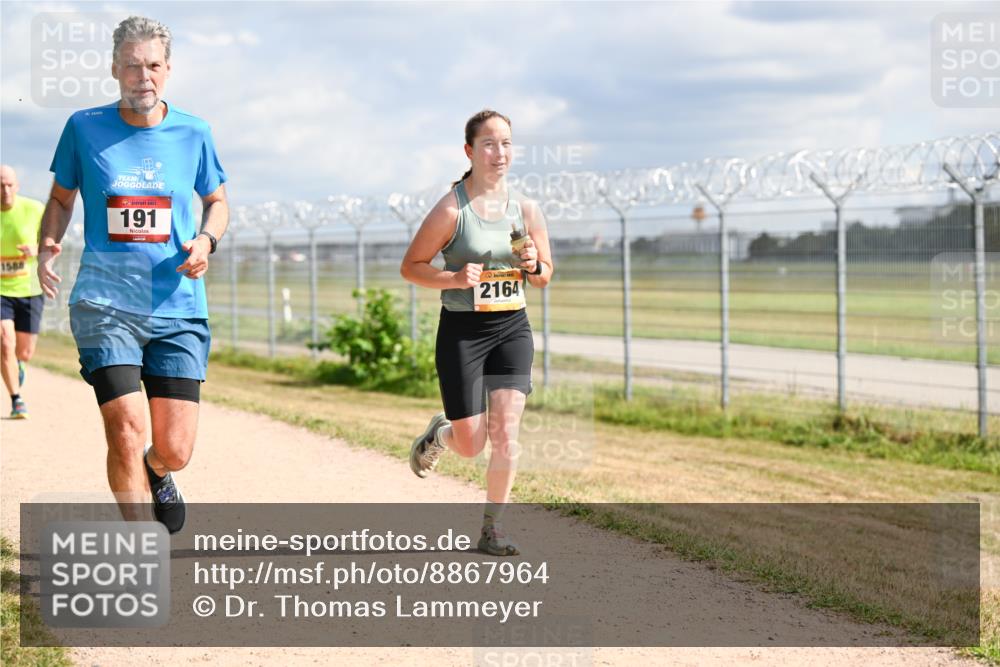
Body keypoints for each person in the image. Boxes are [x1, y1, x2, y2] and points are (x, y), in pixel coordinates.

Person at [37, 16, 228, 534]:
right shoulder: (84, 126)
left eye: (153, 65)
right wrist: (47, 242)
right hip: (105, 304)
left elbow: (217, 202)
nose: (143, 76)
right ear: (114, 69)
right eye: (131, 65)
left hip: (178, 304)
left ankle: (157, 470)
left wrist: (206, 239)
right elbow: (60, 199)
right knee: (124, 428)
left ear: (168, 70)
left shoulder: (194, 132)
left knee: (176, 448)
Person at [400, 110, 553, 556]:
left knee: (506, 436)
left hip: (512, 328)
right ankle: (441, 434)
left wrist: (534, 267)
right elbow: (411, 267)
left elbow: (545, 274)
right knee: (471, 445)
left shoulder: (526, 209)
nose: (499, 152)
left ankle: (492, 530)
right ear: (470, 151)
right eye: (488, 143)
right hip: (463, 332)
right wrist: (453, 279)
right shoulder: (452, 209)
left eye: (506, 143)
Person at [1, 165, 46, 419]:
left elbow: (52, 242)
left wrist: (36, 249)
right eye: (0, 185)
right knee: (5, 341)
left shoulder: (34, 210)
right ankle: (16, 399)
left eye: (9, 185)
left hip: (29, 288)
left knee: (24, 351)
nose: (5, 190)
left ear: (17, 186)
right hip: (1, 290)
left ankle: (18, 365)